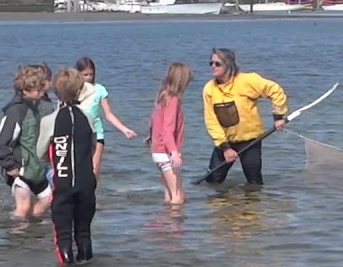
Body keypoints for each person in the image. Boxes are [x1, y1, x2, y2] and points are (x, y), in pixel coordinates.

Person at [201, 48, 289, 185]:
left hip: (250, 141)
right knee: (212, 181)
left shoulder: (248, 80)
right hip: (226, 142)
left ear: (228, 64)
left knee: (254, 183)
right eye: (211, 63)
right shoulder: (209, 89)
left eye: (217, 63)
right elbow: (211, 120)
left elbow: (275, 91)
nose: (213, 66)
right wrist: (225, 148)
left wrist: (278, 116)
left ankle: (253, 205)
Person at [37, 68, 97, 265]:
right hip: (87, 183)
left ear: (56, 91)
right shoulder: (87, 117)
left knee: (63, 235)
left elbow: (40, 153)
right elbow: (93, 146)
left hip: (63, 184)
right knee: (84, 233)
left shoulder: (49, 121)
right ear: (79, 90)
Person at [0, 65, 53, 219]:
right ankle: (17, 239)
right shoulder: (15, 111)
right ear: (26, 90)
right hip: (19, 169)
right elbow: (3, 141)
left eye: (43, 89)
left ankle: (29, 233)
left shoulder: (35, 107)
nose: (42, 93)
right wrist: (10, 166)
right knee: (23, 206)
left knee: (48, 199)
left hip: (36, 168)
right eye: (38, 90)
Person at [74, 57, 137, 178]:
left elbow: (109, 114)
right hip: (78, 133)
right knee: (78, 169)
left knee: (94, 169)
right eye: (85, 74)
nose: (88, 77)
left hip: (96, 133)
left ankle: (92, 194)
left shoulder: (99, 89)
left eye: (91, 74)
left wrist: (124, 129)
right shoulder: (74, 90)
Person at [148, 62, 194, 205]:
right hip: (166, 152)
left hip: (158, 150)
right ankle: (174, 226)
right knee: (177, 197)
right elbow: (168, 130)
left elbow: (154, 121)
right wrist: (174, 152)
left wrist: (151, 137)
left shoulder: (163, 95)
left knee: (169, 194)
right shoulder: (173, 100)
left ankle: (165, 223)